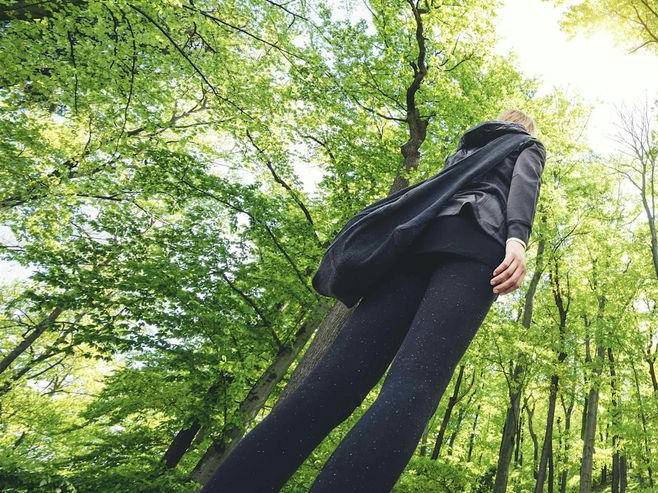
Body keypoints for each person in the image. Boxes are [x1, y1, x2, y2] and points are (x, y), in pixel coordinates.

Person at [199, 109, 547, 492]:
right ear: (526, 129)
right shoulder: (526, 144)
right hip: (475, 243)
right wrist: (517, 240)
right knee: (413, 386)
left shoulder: (466, 148)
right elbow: (523, 186)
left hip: (411, 248)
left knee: (331, 385)